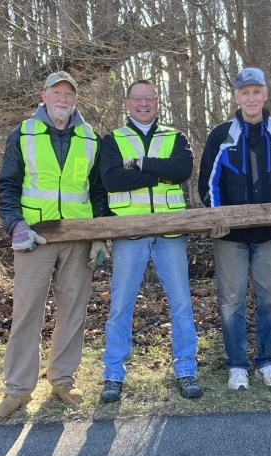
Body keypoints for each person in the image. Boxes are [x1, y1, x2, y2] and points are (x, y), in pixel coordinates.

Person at [0, 71, 109, 417]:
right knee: (26, 312)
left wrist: (100, 233)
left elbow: (99, 192)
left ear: (76, 100)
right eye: (56, 92)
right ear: (43, 97)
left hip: (77, 237)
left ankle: (63, 380)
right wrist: (15, 225)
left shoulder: (91, 138)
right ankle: (17, 390)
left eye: (69, 94)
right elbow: (7, 186)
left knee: (73, 311)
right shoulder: (23, 133)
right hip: (34, 238)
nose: (63, 98)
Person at [98, 80, 201, 401]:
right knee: (120, 305)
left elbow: (182, 169)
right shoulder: (113, 140)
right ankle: (113, 373)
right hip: (130, 233)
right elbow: (112, 180)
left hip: (170, 232)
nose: (144, 104)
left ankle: (186, 370)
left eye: (150, 98)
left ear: (158, 102)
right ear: (127, 103)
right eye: (137, 99)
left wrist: (140, 165)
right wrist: (160, 172)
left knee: (182, 304)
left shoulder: (175, 137)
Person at [198, 67, 271, 390]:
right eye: (245, 92)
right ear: (237, 97)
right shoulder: (221, 135)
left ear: (266, 94)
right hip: (230, 237)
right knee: (231, 302)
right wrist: (219, 217)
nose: (251, 98)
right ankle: (237, 364)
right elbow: (208, 183)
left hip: (269, 233)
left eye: (257, 91)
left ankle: (267, 361)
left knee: (269, 299)